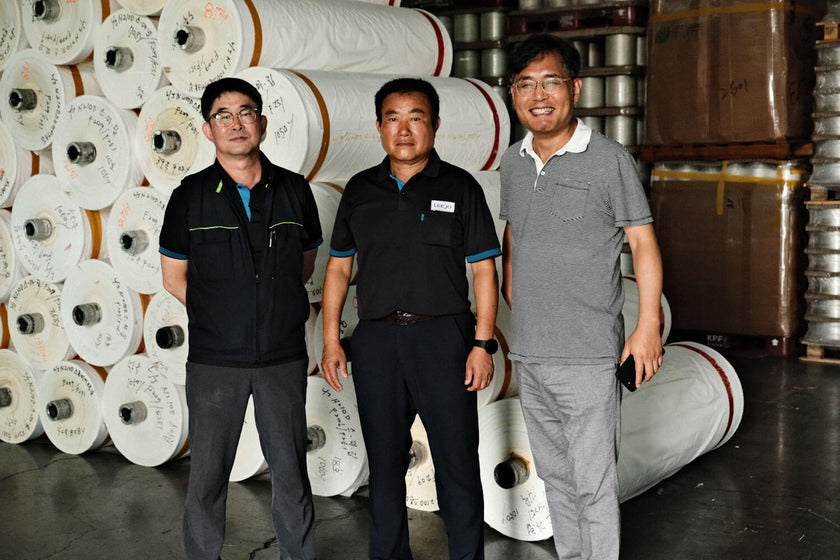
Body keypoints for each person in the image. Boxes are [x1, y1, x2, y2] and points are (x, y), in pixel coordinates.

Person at [320, 77, 500, 560]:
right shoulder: (360, 190)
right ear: (379, 127)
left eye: (415, 118)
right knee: (383, 466)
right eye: (393, 119)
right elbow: (338, 268)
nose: (404, 130)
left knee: (457, 465)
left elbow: (484, 269)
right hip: (376, 342)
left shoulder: (460, 186)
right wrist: (332, 340)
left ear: (435, 125)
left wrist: (482, 344)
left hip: (443, 339)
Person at [499, 34, 664, 560]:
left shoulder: (607, 159)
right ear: (512, 93)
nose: (538, 95)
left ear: (575, 88)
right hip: (530, 352)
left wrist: (646, 329)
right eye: (526, 83)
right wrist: (511, 288)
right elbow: (513, 231)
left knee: (593, 485)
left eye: (551, 82)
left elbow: (642, 242)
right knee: (555, 478)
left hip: (588, 355)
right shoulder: (514, 162)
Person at [159, 77, 322, 560]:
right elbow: (174, 278)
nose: (236, 124)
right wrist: (223, 317)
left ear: (263, 122)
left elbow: (305, 266)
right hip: (215, 362)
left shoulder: (295, 190)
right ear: (208, 130)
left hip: (282, 357)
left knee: (291, 473)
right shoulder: (190, 195)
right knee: (207, 476)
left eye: (246, 112)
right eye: (223, 116)